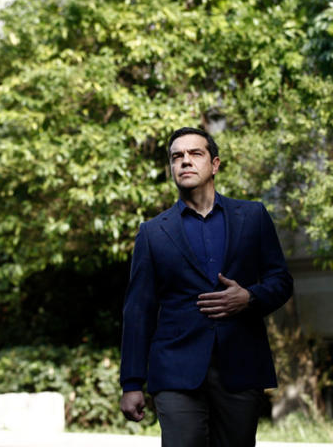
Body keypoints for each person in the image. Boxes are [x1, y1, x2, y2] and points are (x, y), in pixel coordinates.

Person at [120, 127, 293, 447]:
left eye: (195, 153)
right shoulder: (152, 232)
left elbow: (281, 281)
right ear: (171, 168)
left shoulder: (253, 216)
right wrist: (131, 383)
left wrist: (249, 297)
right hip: (175, 370)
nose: (185, 161)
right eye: (177, 157)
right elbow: (138, 310)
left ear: (214, 164)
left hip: (241, 365)